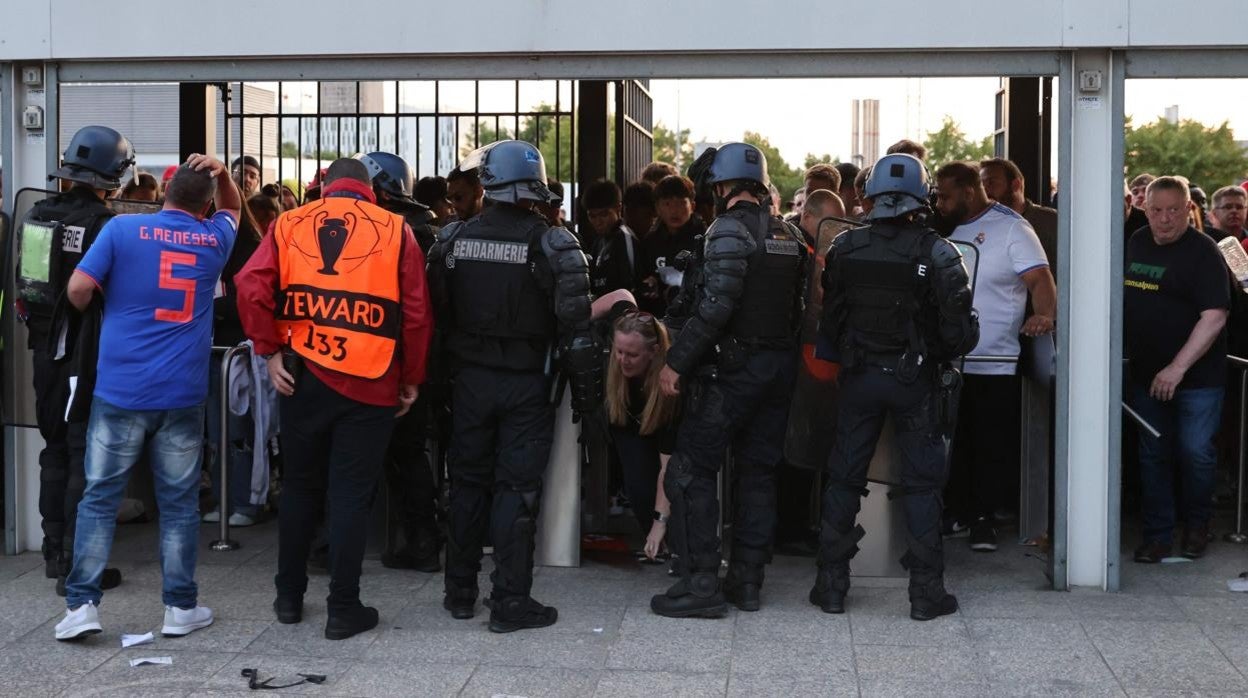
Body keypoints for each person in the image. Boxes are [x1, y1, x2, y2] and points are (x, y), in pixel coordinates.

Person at [235, 157, 433, 640]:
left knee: (301, 489)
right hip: (372, 381)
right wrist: (411, 377)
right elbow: (416, 313)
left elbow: (249, 285)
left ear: (325, 187)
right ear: (374, 192)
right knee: (350, 496)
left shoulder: (288, 222)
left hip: (303, 380)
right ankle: (343, 608)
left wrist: (268, 350)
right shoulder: (396, 230)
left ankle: (288, 598)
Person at [54, 154, 240, 641]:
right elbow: (234, 211)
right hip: (182, 393)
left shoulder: (121, 231)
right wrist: (221, 173)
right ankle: (180, 608)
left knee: (99, 497)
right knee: (178, 504)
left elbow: (77, 289)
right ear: (204, 206)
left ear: (163, 196)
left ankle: (81, 608)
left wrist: (104, 303)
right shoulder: (212, 240)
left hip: (120, 389)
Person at [426, 139, 595, 632]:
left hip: (468, 383)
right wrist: (589, 401)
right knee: (515, 492)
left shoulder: (451, 240)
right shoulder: (556, 245)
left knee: (467, 487)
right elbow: (577, 333)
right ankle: (510, 603)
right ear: (535, 185)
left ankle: (459, 593)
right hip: (526, 386)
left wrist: (439, 388)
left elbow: (437, 321)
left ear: (488, 183)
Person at [811, 153, 978, 621]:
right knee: (923, 487)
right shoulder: (941, 253)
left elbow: (832, 316)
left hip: (860, 378)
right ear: (920, 198)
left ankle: (831, 587)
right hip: (915, 382)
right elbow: (958, 335)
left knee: (843, 479)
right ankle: (926, 595)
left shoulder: (845, 247)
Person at [650, 142, 808, 617]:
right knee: (758, 475)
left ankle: (700, 585)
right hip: (776, 371)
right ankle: (747, 583)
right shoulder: (789, 235)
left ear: (721, 187)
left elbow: (716, 305)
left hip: (730, 373)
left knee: (691, 471)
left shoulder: (726, 232)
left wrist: (676, 362)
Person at [16, 125, 132, 597]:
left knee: (54, 450)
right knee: (85, 454)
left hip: (43, 352)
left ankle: (50, 551)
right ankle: (75, 564)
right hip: (88, 354)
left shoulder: (38, 214)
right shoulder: (106, 225)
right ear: (114, 175)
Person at [935, 161, 1055, 552]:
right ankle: (955, 512)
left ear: (968, 193)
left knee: (990, 443)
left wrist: (1044, 316)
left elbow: (1040, 279)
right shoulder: (948, 228)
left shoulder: (1013, 227)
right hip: (951, 358)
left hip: (996, 358)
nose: (939, 202)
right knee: (957, 441)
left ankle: (984, 519)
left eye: (946, 195)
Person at [1125, 176, 1229, 563]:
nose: (1164, 219)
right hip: (1147, 374)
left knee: (1195, 453)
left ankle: (1198, 526)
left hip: (1197, 378)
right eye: (1156, 210)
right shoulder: (1136, 242)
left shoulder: (1204, 252)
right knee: (1152, 455)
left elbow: (1215, 316)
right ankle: (1158, 535)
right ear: (1145, 210)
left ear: (1188, 209)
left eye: (1173, 210)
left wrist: (1177, 368)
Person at [356, 151, 442, 572]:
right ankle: (421, 539)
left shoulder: (395, 233)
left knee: (394, 455)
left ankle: (420, 541)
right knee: (405, 456)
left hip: (390, 360)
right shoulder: (426, 231)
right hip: (410, 359)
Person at [202, 201, 266, 528]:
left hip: (236, 352)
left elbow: (251, 300)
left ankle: (245, 500)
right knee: (216, 433)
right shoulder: (207, 245)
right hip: (212, 351)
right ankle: (224, 498)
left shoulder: (250, 249)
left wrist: (205, 305)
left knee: (238, 432)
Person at [605, 305, 681, 561]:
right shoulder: (616, 373)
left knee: (663, 482)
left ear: (653, 352)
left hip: (660, 428)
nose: (623, 360)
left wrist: (659, 523)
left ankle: (667, 537)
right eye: (619, 351)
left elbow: (666, 467)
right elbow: (621, 296)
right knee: (637, 485)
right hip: (626, 421)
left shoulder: (669, 388)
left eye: (632, 355)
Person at [980, 158, 1058, 275]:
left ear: (1015, 185)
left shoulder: (1051, 222)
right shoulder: (982, 227)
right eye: (982, 185)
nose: (985, 191)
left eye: (991, 183)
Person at [639, 175, 704, 316]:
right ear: (657, 208)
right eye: (667, 204)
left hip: (695, 315)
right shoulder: (650, 242)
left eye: (681, 203)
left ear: (692, 206)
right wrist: (652, 282)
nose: (674, 211)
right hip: (659, 315)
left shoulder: (704, 238)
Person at [582, 179, 643, 298]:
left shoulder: (625, 238)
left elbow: (632, 286)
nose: (598, 221)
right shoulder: (598, 241)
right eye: (592, 216)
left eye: (604, 214)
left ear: (618, 208)